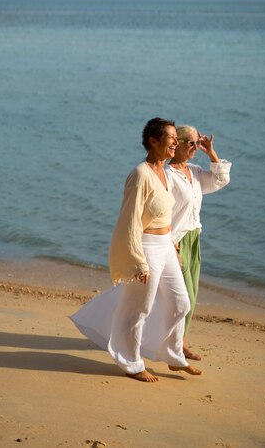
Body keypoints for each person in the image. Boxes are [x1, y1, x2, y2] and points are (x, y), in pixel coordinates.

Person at [71, 117, 202, 383]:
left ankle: (173, 355)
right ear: (153, 141)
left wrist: (172, 243)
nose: (176, 141)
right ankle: (131, 363)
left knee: (180, 303)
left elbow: (164, 215)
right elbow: (129, 222)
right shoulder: (140, 174)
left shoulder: (165, 172)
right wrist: (137, 261)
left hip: (165, 246)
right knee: (138, 309)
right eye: (171, 137)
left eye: (177, 137)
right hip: (146, 248)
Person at [166, 125, 231, 361]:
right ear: (178, 144)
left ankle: (179, 342)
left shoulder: (193, 171)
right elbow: (161, 214)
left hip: (194, 240)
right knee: (184, 298)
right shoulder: (168, 175)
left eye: (197, 143)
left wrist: (210, 152)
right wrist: (170, 244)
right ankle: (176, 345)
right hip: (176, 241)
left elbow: (220, 179)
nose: (195, 147)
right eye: (191, 143)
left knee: (190, 297)